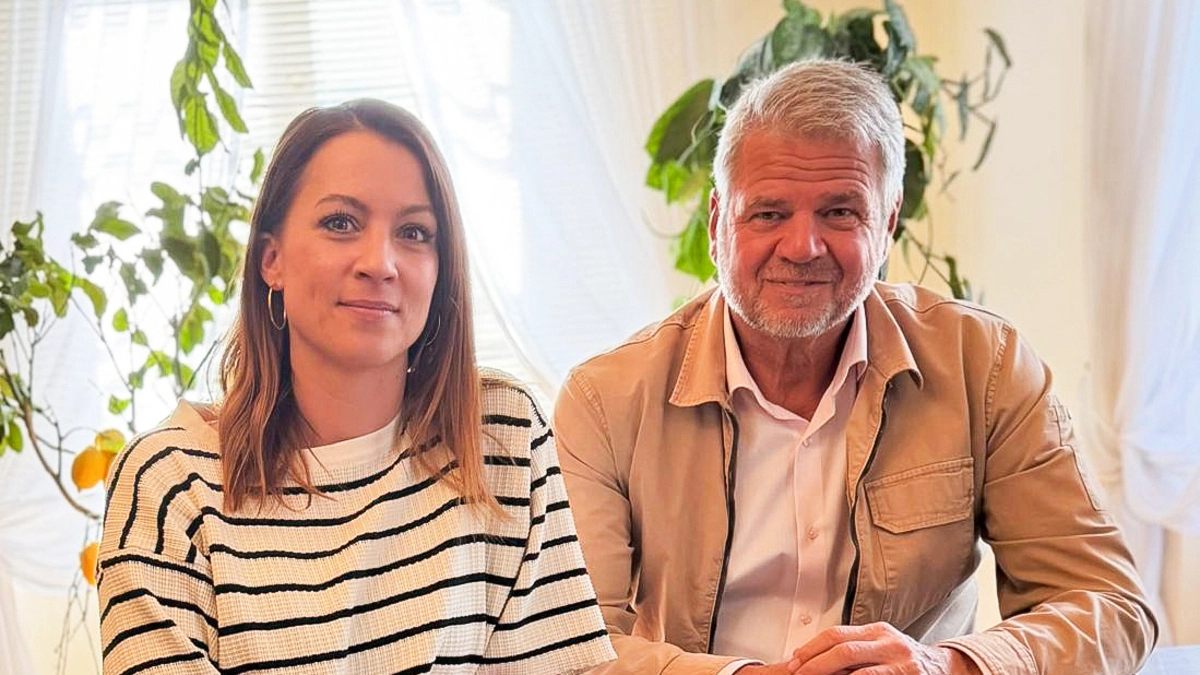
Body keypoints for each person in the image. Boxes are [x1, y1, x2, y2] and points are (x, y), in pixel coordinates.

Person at [553, 60, 1156, 675]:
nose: (802, 247)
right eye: (768, 214)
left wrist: (945, 667)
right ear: (716, 225)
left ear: (887, 222)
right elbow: (567, 645)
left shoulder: (985, 366)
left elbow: (1107, 606)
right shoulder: (606, 399)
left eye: (840, 212)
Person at [98, 99, 615, 674]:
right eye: (340, 223)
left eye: (414, 232)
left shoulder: (501, 436)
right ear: (271, 259)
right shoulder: (170, 482)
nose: (380, 263)